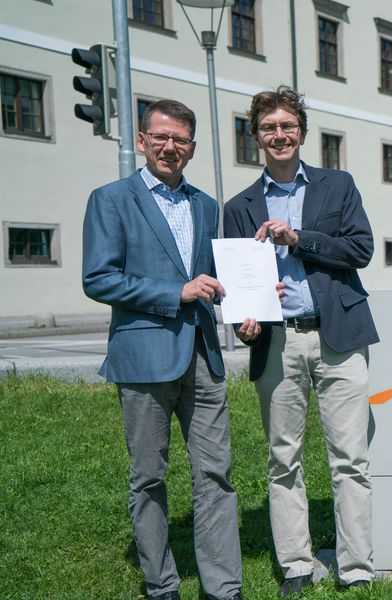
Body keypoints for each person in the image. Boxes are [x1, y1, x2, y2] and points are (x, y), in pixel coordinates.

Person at [82, 100, 243, 600]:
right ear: (144, 140)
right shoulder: (110, 199)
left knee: (216, 472)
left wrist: (250, 293)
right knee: (149, 476)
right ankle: (161, 584)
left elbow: (212, 275)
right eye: (161, 137)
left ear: (192, 148)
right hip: (144, 357)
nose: (170, 147)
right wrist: (174, 294)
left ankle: (223, 587)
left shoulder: (206, 205)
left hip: (202, 355)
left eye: (181, 140)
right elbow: (98, 277)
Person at [223, 86, 379, 597]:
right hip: (277, 343)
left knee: (350, 458)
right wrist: (242, 323)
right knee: (282, 458)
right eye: (269, 127)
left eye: (288, 126)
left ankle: (355, 569)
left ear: (302, 133)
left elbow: (361, 250)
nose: (279, 135)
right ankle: (295, 565)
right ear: (257, 137)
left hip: (339, 338)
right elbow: (236, 278)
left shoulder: (338, 186)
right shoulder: (239, 206)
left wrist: (299, 238)